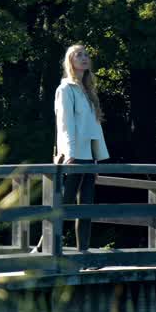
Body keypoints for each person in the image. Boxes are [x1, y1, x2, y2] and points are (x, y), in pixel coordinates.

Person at [54, 44, 109, 252]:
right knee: (66, 205)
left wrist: (96, 157)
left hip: (88, 156)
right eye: (79, 55)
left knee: (86, 207)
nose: (84, 58)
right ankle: (44, 249)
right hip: (74, 155)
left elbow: (92, 128)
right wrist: (69, 154)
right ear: (70, 61)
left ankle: (83, 253)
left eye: (86, 54)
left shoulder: (87, 91)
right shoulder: (65, 89)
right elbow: (65, 124)